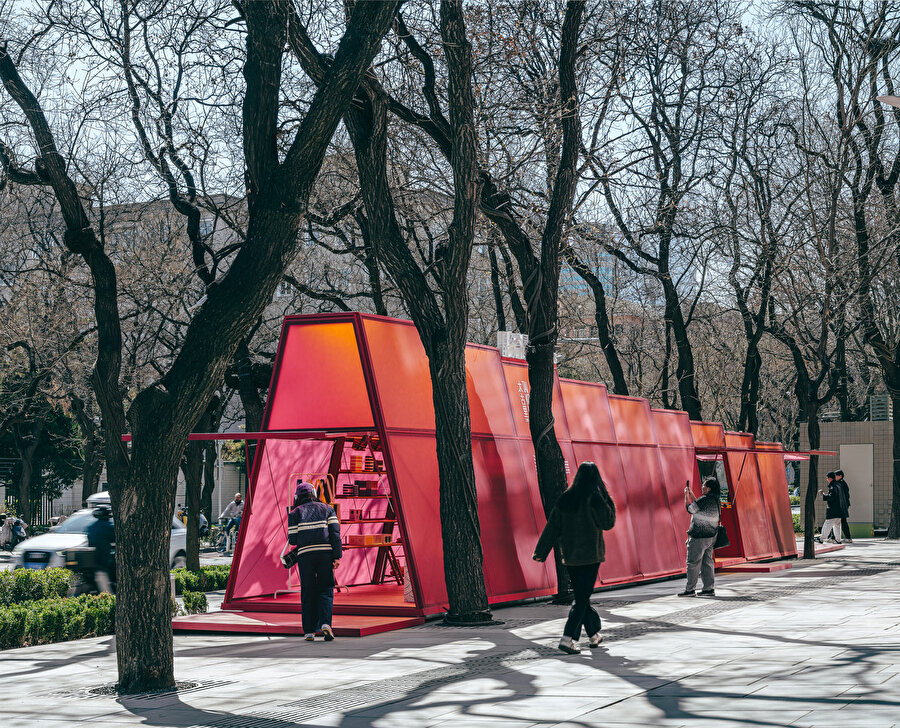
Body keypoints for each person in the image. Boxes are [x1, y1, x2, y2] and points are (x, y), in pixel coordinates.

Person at [532, 462, 617, 655]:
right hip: (591, 557)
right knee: (581, 599)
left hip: (570, 557)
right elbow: (608, 522)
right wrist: (607, 499)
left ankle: (594, 635)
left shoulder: (566, 499)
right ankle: (567, 638)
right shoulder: (595, 498)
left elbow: (552, 527)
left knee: (582, 597)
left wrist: (540, 552)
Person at [288, 481, 342, 642]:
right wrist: (337, 556)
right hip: (325, 555)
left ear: (297, 496)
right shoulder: (328, 509)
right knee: (325, 589)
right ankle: (326, 623)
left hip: (305, 556)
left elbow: (292, 539)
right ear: (314, 494)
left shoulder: (294, 513)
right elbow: (335, 535)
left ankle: (309, 631)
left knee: (308, 591)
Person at [677, 478, 722, 598]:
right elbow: (700, 506)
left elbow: (690, 509)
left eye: (704, 486)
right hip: (711, 537)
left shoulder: (704, 500)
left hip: (699, 536)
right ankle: (708, 588)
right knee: (707, 562)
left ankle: (690, 589)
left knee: (693, 563)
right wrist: (692, 494)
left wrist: (686, 496)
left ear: (709, 488)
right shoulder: (716, 500)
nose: (702, 487)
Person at [86, 505, 115, 593]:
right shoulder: (107, 526)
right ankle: (108, 597)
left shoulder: (91, 527)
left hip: (93, 560)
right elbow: (115, 537)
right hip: (103, 560)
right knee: (105, 585)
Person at [816, 472, 843, 544]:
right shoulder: (838, 485)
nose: (827, 479)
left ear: (830, 478)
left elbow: (831, 497)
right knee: (837, 525)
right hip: (839, 509)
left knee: (828, 524)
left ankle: (821, 538)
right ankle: (838, 540)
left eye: (827, 477)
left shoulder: (833, 486)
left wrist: (823, 495)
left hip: (832, 509)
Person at [835, 470, 852, 543]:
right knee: (839, 520)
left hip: (842, 505)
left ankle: (848, 537)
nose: (835, 477)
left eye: (836, 475)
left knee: (841, 520)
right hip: (844, 504)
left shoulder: (841, 484)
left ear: (840, 476)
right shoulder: (841, 483)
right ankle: (834, 537)